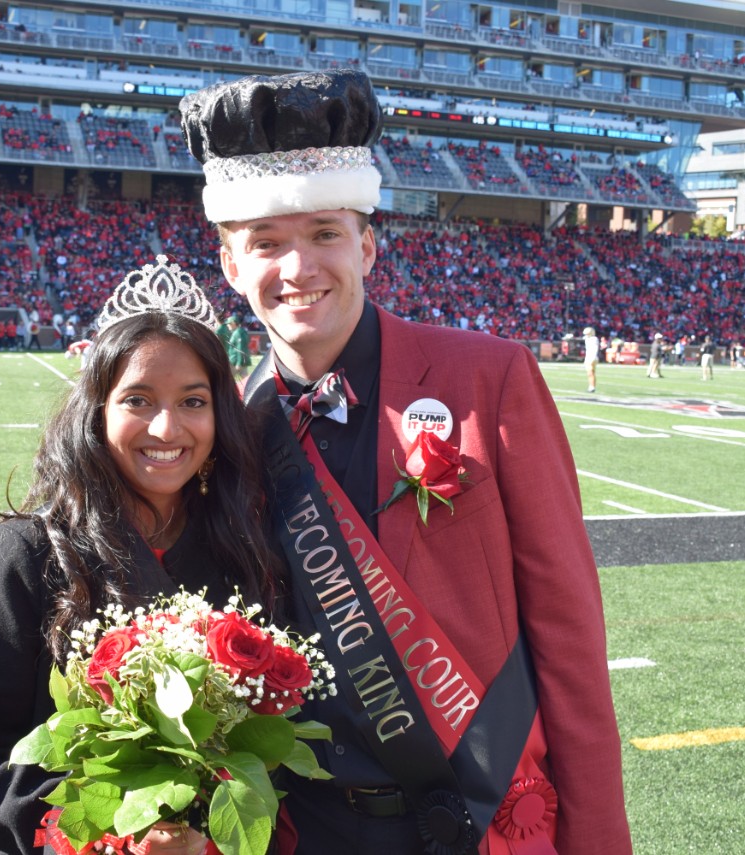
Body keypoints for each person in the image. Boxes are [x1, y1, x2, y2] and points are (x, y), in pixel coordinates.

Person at [181, 69, 631, 855]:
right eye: (266, 244)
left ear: (369, 243)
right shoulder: (220, 427)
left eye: (325, 233)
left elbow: (568, 632)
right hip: (305, 831)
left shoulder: (489, 379)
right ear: (229, 265)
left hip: (485, 820)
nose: (298, 269)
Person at [0, 256, 281, 855]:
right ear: (96, 412)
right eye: (138, 400)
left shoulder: (244, 547)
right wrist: (99, 835)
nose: (167, 428)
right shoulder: (27, 555)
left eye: (193, 401)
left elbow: (271, 752)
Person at [224, 314, 251, 380]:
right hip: (241, 361)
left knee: (226, 381)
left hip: (236, 361)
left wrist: (239, 363)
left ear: (234, 323)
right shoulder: (241, 331)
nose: (227, 325)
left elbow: (240, 348)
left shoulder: (238, 333)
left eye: (229, 323)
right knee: (246, 381)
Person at [583, 325, 600, 392]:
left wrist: (593, 357)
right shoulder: (587, 338)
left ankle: (592, 386)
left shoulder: (594, 339)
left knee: (590, 372)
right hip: (589, 357)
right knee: (591, 373)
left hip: (591, 357)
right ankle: (592, 386)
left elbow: (595, 349)